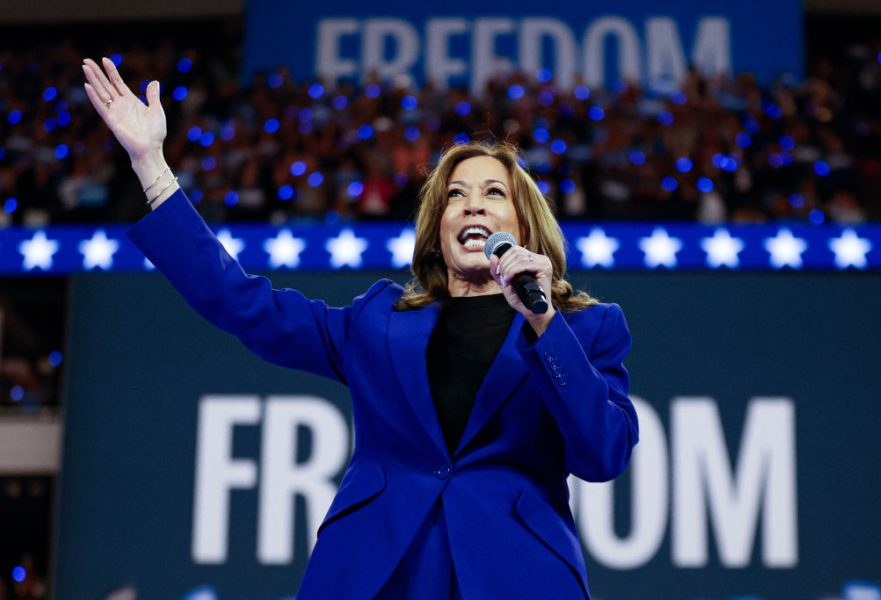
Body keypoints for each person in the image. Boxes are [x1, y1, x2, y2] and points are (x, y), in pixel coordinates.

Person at [82, 57, 639, 600]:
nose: (472, 206)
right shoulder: (378, 321)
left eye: (494, 193)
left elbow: (602, 456)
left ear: (525, 226)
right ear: (437, 229)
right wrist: (152, 168)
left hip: (516, 576)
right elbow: (243, 304)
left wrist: (543, 322)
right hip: (376, 572)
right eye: (455, 195)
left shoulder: (583, 329)